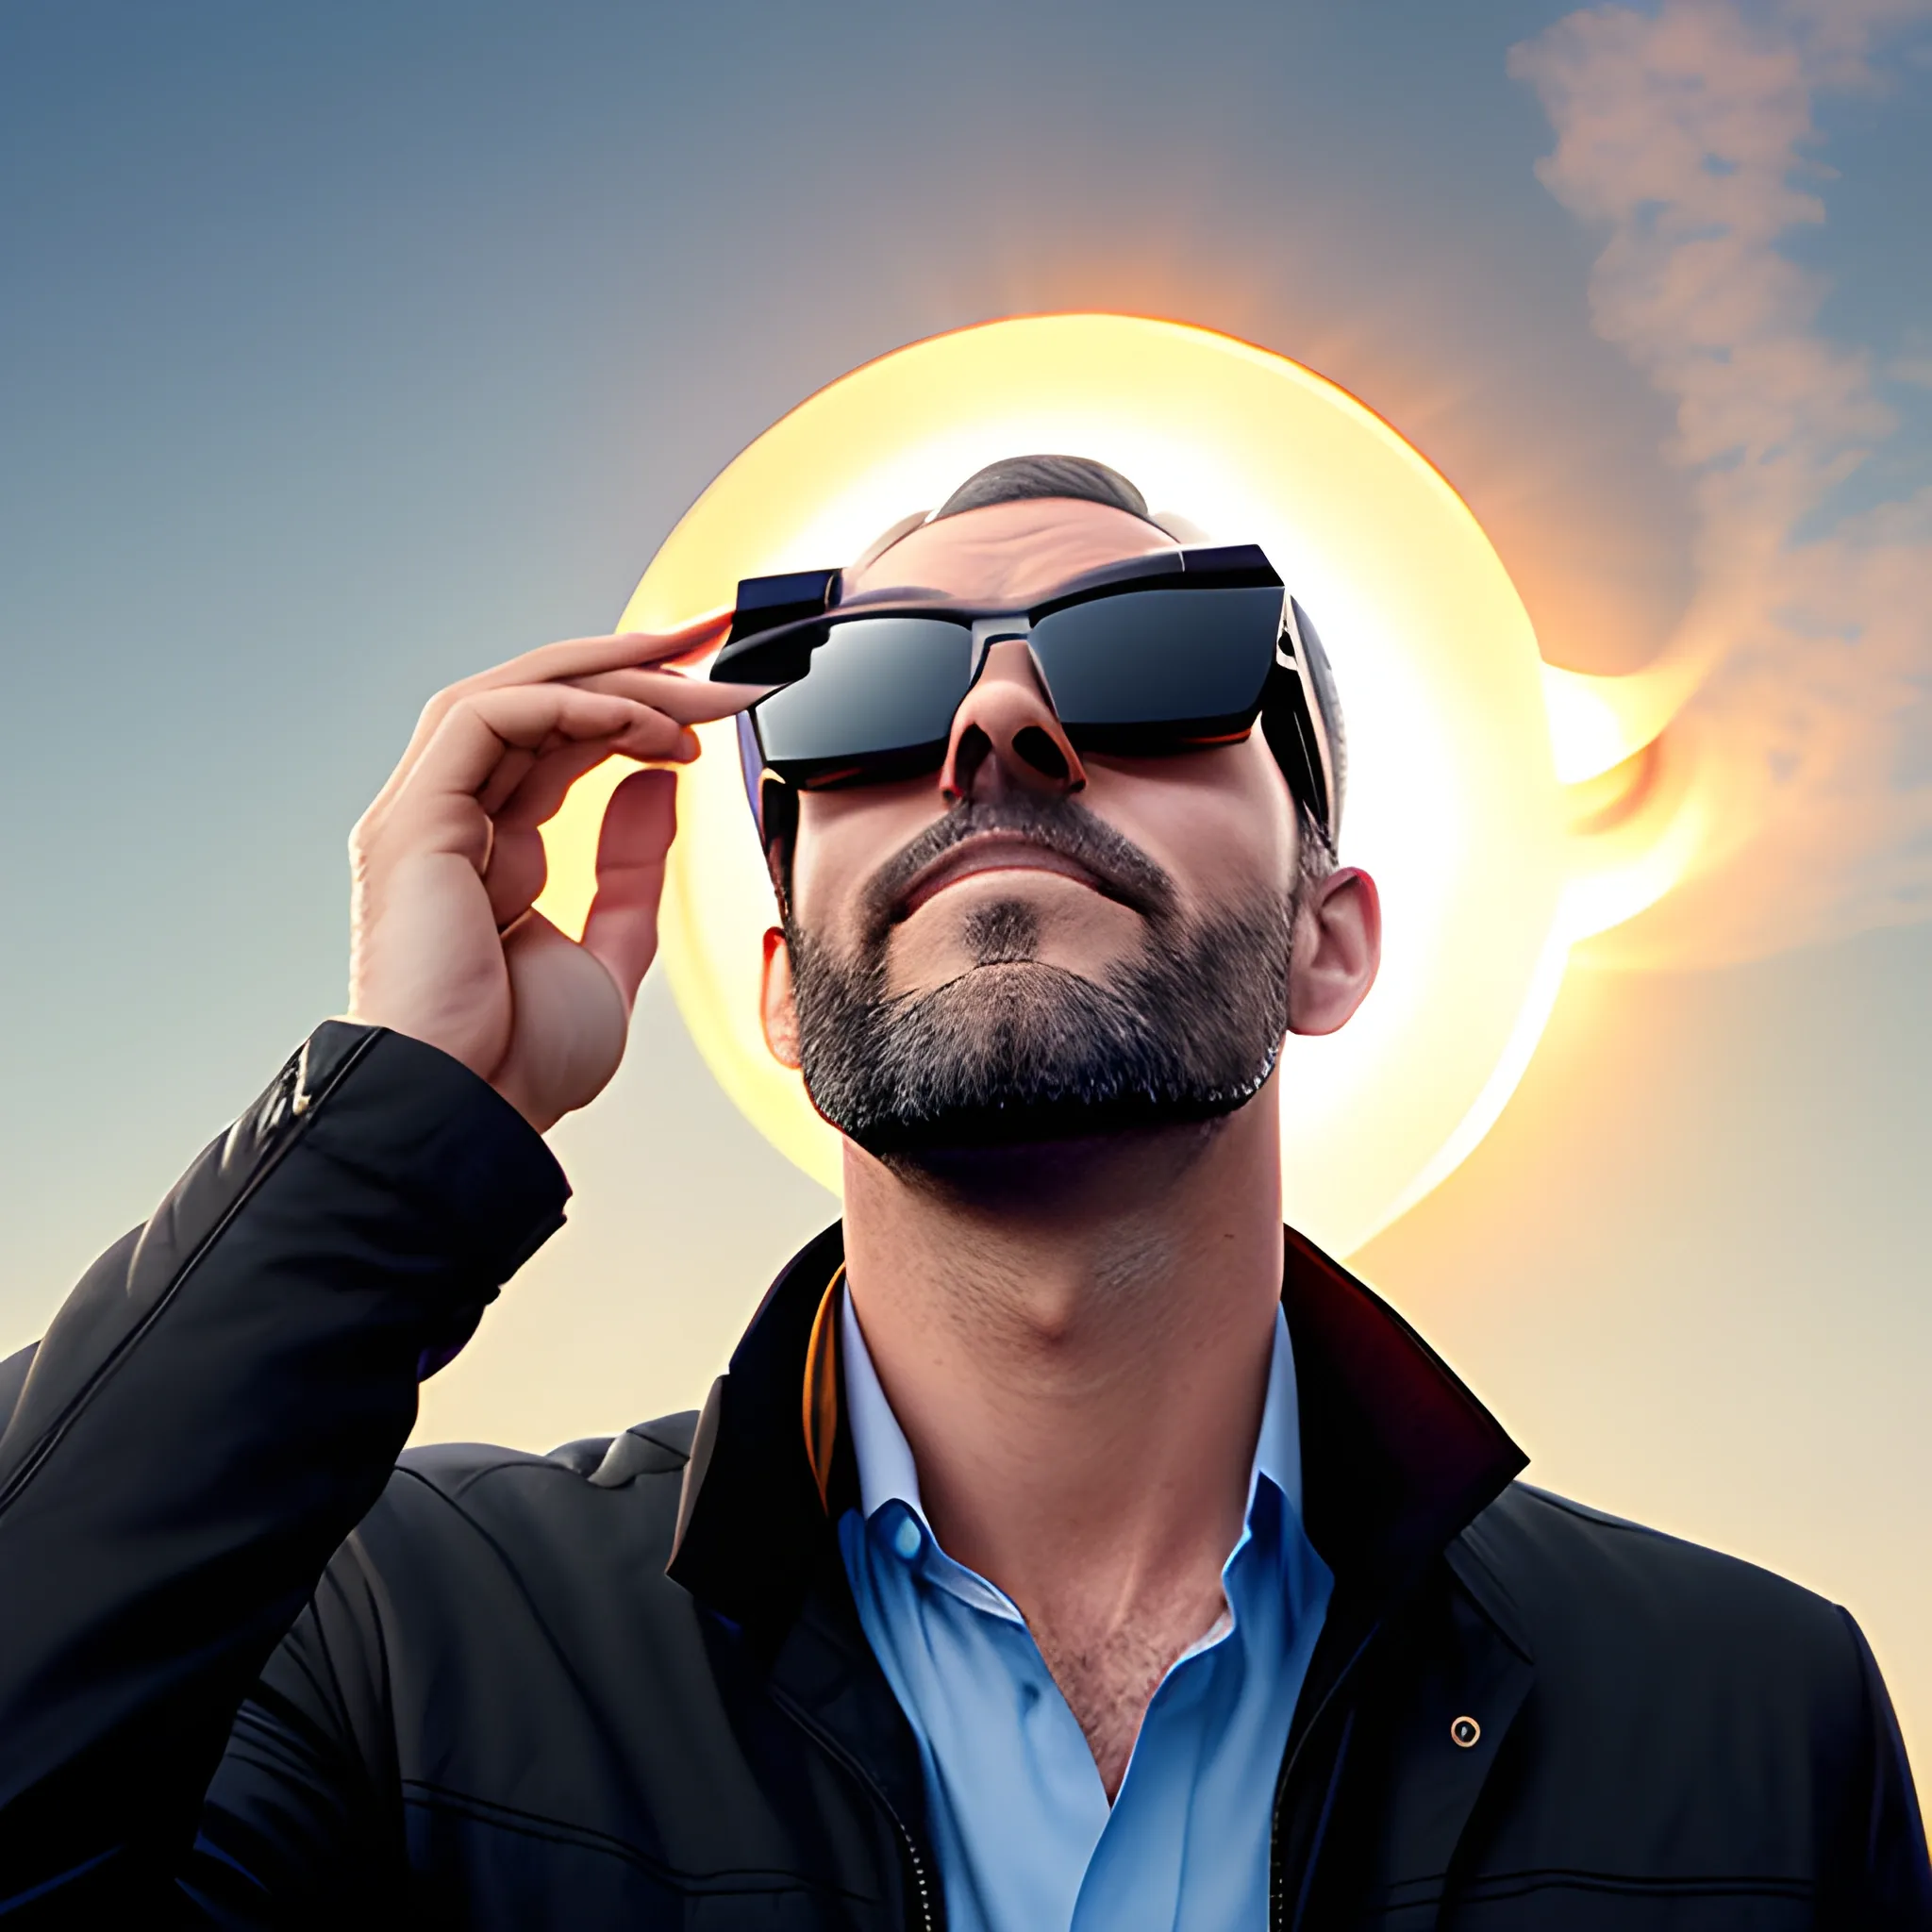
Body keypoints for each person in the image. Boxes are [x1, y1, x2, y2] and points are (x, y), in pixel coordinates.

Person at [0, 454, 1924, 1929]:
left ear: (1330, 946)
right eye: (866, 691)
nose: (996, 729)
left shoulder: (1756, 1720)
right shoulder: (405, 1639)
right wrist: (407, 1112)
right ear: (771, 986)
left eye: (1156, 658)